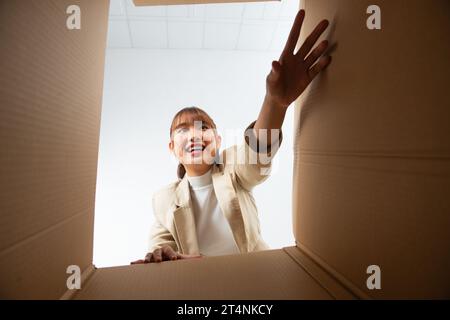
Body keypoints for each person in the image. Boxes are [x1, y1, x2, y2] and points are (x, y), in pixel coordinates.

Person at [131, 9, 331, 264]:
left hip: (255, 279)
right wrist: (160, 256)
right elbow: (161, 245)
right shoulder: (163, 200)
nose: (194, 134)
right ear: (172, 148)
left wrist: (275, 103)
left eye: (203, 127)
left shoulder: (232, 168)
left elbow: (256, 158)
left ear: (218, 142)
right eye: (182, 129)